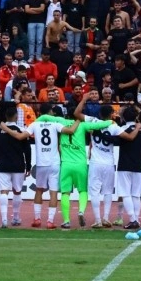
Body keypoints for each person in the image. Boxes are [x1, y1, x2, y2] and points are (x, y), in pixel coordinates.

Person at [35, 96, 113, 229]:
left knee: (65, 193)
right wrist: (111, 121)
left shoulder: (61, 121)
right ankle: (81, 211)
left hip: (66, 164)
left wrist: (36, 122)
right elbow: (99, 125)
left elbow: (44, 117)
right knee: (83, 191)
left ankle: (66, 220)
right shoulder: (82, 125)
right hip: (80, 164)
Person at [0, 103, 80, 229]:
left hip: (42, 163)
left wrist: (6, 128)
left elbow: (20, 137)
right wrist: (78, 119)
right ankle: (50, 221)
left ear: (39, 113)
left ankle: (37, 219)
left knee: (39, 190)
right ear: (51, 113)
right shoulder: (55, 124)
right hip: (54, 163)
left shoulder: (35, 125)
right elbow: (70, 131)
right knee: (53, 192)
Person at [0, 105, 32, 228]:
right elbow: (27, 150)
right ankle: (15, 217)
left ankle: (4, 219)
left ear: (5, 116)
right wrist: (28, 166)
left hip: (3, 164)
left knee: (3, 191)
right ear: (16, 116)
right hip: (18, 165)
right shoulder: (22, 130)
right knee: (17, 191)